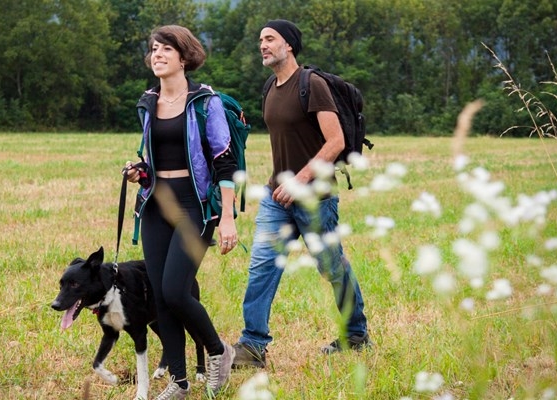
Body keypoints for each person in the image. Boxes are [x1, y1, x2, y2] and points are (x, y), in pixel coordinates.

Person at [231, 19, 372, 369]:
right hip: (276, 197)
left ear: (289, 45)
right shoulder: (270, 86)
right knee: (262, 267)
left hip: (315, 196)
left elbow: (335, 142)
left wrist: (301, 180)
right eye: (260, 40)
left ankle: (355, 334)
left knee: (330, 266)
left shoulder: (314, 85)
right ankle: (253, 345)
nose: (262, 45)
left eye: (270, 39)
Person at [124, 25, 236, 399]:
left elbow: (224, 163)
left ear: (184, 57)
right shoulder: (148, 102)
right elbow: (154, 157)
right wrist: (141, 171)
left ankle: (220, 351)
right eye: (154, 49)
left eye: (165, 49)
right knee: (159, 294)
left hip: (194, 206)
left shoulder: (206, 103)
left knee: (175, 290)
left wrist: (228, 219)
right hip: (157, 205)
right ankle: (180, 381)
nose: (157, 55)